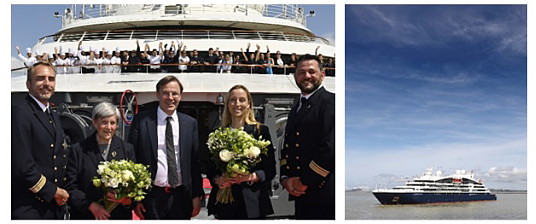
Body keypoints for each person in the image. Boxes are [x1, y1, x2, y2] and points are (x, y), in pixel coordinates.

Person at [127, 75, 204, 219]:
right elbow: (132, 160)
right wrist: (135, 198)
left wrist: (196, 195)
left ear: (180, 96)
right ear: (158, 94)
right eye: (165, 93)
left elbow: (194, 162)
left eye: (174, 93)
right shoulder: (141, 121)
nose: (170, 97)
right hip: (152, 197)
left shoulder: (190, 123)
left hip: (182, 197)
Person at [205, 85, 275, 219]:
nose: (237, 104)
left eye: (242, 100)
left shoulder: (260, 131)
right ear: (227, 104)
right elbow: (209, 167)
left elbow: (270, 169)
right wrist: (218, 179)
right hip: (225, 202)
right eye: (233, 100)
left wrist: (252, 177)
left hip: (253, 201)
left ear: (249, 104)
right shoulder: (216, 134)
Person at [12, 62, 70, 219]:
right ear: (28, 84)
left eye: (51, 79)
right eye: (40, 79)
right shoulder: (19, 112)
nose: (46, 83)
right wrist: (53, 191)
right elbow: (22, 166)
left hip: (51, 206)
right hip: (29, 206)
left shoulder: (52, 114)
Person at [280, 54, 335, 220]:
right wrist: (285, 179)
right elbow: (287, 146)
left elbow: (330, 149)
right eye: (301, 72)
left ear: (322, 75)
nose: (307, 76)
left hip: (322, 194)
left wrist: (304, 181)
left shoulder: (330, 102)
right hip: (300, 194)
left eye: (312, 71)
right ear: (295, 76)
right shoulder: (297, 106)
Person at [65, 102, 136, 220]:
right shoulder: (78, 150)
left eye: (112, 123)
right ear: (95, 123)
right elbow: (70, 186)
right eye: (104, 122)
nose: (109, 127)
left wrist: (126, 200)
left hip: (118, 216)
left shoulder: (127, 149)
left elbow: (134, 186)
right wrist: (91, 206)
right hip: (87, 215)